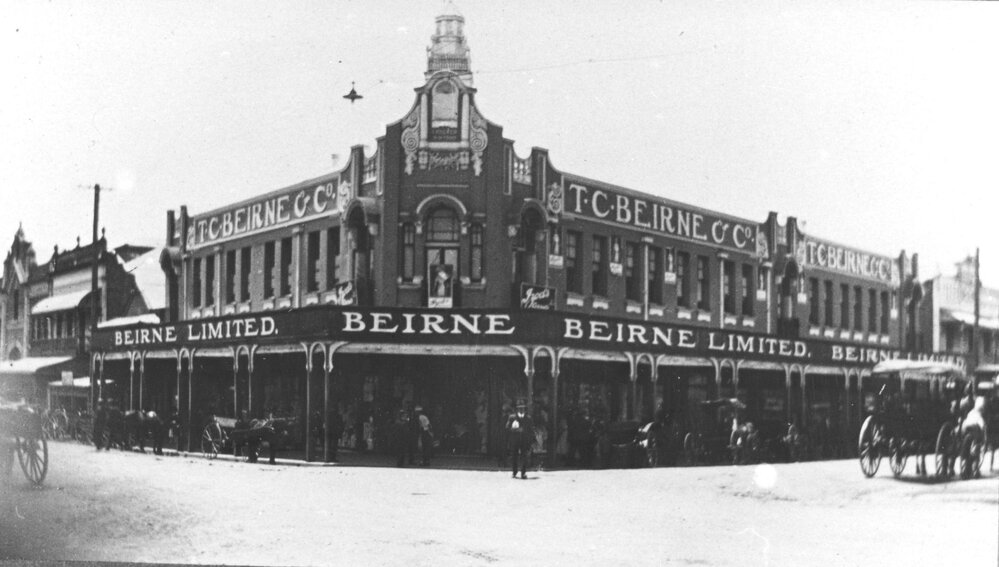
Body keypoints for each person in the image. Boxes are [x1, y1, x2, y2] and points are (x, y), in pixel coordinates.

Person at [505, 399, 534, 479]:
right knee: (514, 456)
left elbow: (531, 430)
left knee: (524, 457)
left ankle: (523, 473)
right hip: (515, 440)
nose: (521, 410)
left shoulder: (528, 418)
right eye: (519, 408)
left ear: (525, 409)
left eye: (523, 408)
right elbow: (507, 428)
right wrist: (514, 429)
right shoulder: (512, 417)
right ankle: (514, 471)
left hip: (524, 441)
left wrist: (530, 440)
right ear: (517, 409)